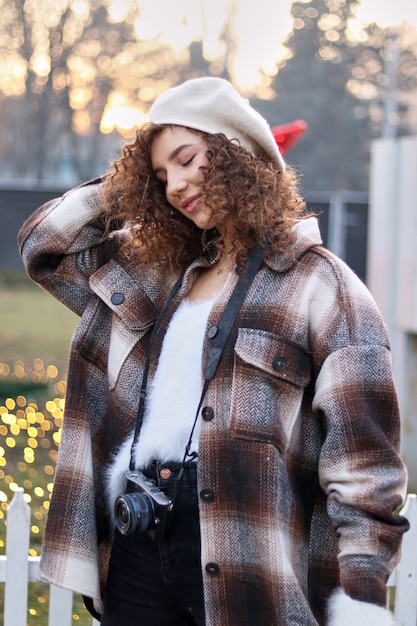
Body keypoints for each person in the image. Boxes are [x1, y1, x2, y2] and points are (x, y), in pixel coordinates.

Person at [18, 76, 408, 626]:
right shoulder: (158, 271)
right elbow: (45, 246)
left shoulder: (325, 288)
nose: (175, 184)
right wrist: (130, 186)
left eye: (187, 159)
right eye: (161, 176)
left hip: (248, 557)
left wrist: (360, 596)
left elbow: (366, 473)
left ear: (235, 153)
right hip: (138, 544)